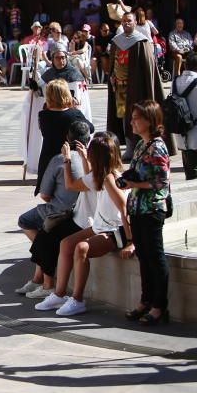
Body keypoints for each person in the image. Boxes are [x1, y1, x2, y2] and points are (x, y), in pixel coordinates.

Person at [34, 131, 132, 316]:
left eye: (91, 153)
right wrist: (82, 158)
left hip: (113, 231)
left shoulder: (111, 178)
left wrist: (130, 241)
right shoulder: (101, 176)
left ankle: (77, 299)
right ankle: (59, 293)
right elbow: (89, 180)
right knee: (65, 243)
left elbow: (124, 208)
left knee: (81, 248)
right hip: (99, 227)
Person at [16, 121, 94, 299]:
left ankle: (47, 280)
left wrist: (66, 161)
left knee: (29, 224)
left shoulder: (61, 160)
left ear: (68, 138)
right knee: (45, 235)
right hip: (79, 213)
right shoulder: (90, 160)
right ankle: (38, 278)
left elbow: (45, 194)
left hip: (65, 212)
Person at [121, 101, 172, 326]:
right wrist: (126, 178)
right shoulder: (141, 145)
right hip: (138, 208)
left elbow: (161, 182)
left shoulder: (158, 146)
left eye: (136, 118)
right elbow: (137, 171)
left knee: (155, 257)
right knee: (143, 256)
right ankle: (146, 300)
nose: (132, 122)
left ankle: (160, 306)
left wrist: (135, 184)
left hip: (151, 208)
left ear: (150, 121)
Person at [108, 12, 173, 159]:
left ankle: (142, 146)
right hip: (120, 86)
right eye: (123, 21)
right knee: (123, 117)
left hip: (137, 87)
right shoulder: (116, 41)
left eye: (129, 21)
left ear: (135, 22)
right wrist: (112, 76)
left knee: (138, 116)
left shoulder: (141, 42)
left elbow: (147, 67)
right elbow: (114, 62)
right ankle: (130, 147)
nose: (126, 23)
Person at [20, 50, 93, 177]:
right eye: (58, 58)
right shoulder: (48, 75)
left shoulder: (75, 75)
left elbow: (81, 97)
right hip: (54, 115)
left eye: (63, 57)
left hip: (70, 117)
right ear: (52, 60)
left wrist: (76, 108)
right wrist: (34, 87)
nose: (61, 61)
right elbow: (39, 94)